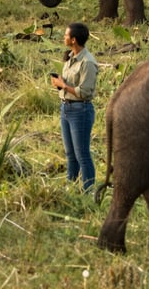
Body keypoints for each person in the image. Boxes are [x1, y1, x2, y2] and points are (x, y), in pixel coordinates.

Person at [50, 22, 99, 191]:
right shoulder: (70, 58)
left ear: (74, 39)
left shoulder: (88, 63)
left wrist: (63, 86)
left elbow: (84, 92)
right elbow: (70, 84)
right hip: (66, 108)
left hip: (81, 111)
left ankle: (88, 191)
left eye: (66, 35)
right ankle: (70, 189)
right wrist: (60, 83)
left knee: (82, 155)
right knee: (70, 154)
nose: (63, 37)